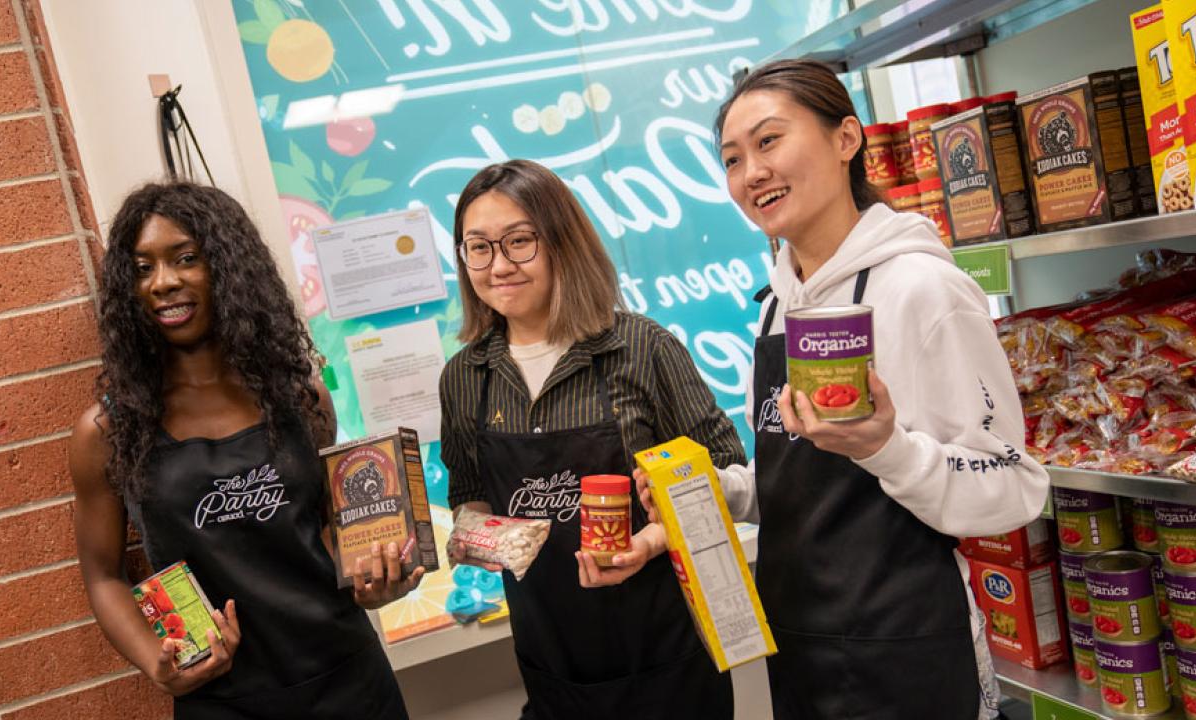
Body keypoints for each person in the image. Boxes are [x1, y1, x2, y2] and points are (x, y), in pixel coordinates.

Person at [667, 59, 1050, 718]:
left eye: (768, 141)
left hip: (907, 653)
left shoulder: (922, 290)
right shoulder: (775, 305)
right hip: (802, 655)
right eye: (731, 158)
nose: (751, 171)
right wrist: (719, 491)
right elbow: (809, 484)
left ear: (847, 139)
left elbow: (1014, 485)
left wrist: (888, 449)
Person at [70, 182, 420, 719]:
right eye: (143, 268)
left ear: (229, 269)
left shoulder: (302, 400)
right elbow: (103, 576)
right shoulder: (110, 431)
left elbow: (326, 531)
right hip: (223, 700)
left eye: (185, 259)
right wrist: (156, 664)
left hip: (347, 679)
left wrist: (372, 581)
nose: (163, 282)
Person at [439, 159, 744, 720]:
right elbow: (471, 495)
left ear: (562, 242)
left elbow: (728, 478)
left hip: (666, 661)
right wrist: (478, 537)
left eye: (520, 242)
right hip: (553, 667)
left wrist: (649, 541)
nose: (498, 265)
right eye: (478, 247)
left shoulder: (642, 348)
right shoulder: (464, 377)